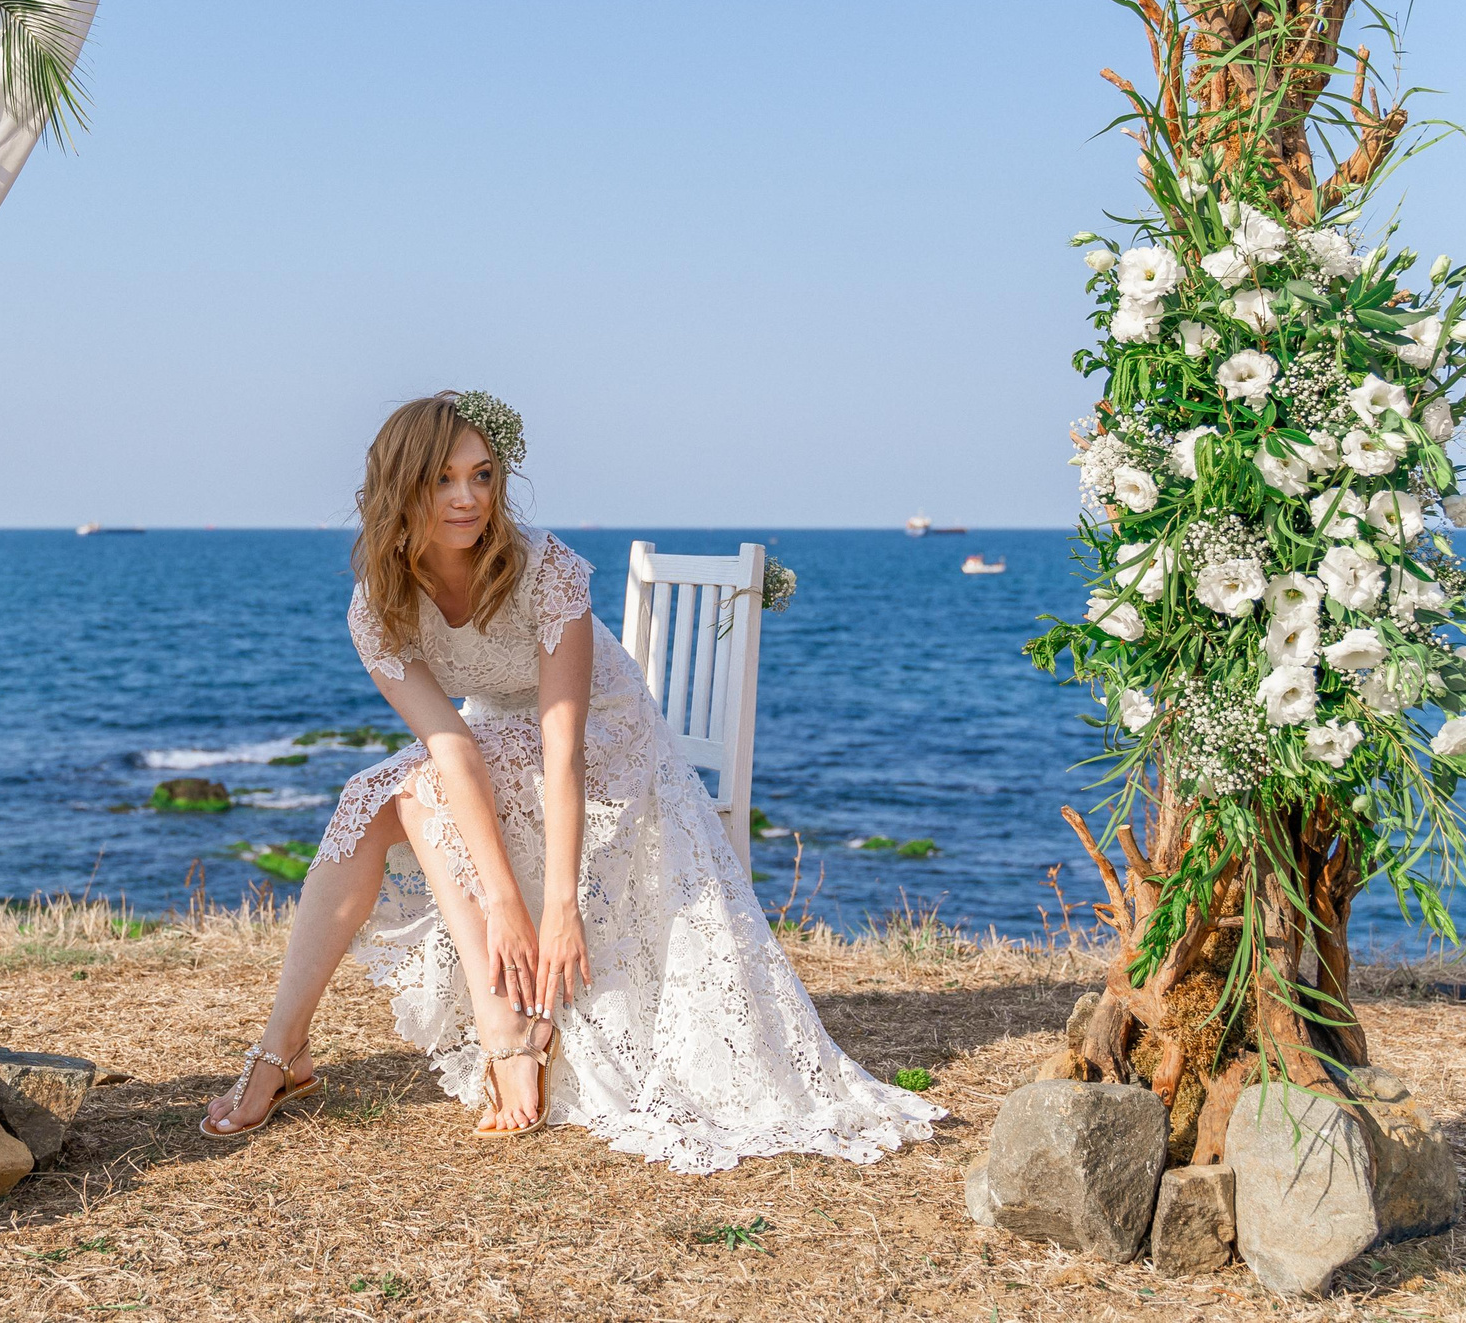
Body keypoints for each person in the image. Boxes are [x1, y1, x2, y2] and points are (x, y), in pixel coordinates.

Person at [201, 390, 941, 1173]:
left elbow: (564, 748)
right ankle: (284, 1050)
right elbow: (450, 743)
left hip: (604, 738)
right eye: (442, 479)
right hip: (487, 737)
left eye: (482, 475)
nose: (467, 498)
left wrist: (553, 909)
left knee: (410, 792)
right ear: (400, 488)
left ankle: (500, 1033)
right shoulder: (376, 605)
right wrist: (506, 908)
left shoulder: (543, 568)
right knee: (374, 795)